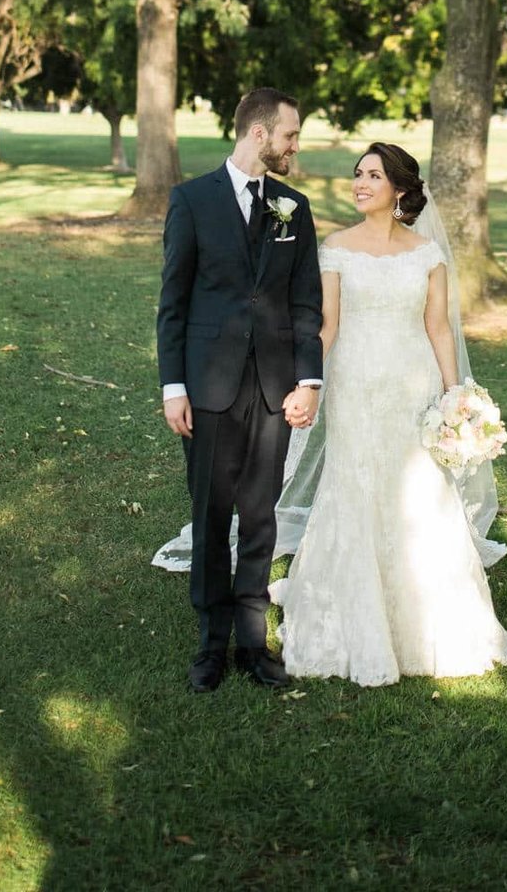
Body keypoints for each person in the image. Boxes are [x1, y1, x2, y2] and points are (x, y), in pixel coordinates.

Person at [272, 142, 507, 686]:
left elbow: (437, 329)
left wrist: (458, 399)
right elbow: (327, 326)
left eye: (373, 176)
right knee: (354, 484)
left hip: (413, 389)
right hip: (356, 385)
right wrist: (306, 383)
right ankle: (350, 613)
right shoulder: (335, 248)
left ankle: (428, 620)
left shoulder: (427, 255)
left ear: (399, 189)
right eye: (358, 174)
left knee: (420, 491)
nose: (359, 183)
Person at [156, 87, 323, 693]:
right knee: (210, 514)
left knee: (260, 516)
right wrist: (174, 385)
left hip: (275, 390)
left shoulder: (293, 208)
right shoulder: (191, 201)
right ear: (259, 134)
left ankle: (253, 641)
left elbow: (306, 303)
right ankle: (211, 642)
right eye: (290, 135)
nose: (294, 146)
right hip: (208, 385)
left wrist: (309, 380)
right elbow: (173, 303)